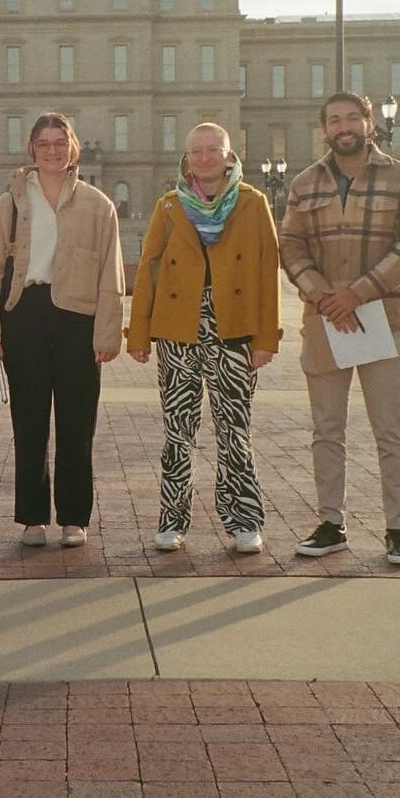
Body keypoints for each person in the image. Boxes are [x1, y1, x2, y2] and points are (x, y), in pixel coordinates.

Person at [278, 92, 400, 566]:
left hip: (380, 319)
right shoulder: (305, 184)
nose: (343, 127)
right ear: (324, 129)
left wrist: (357, 293)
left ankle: (397, 530)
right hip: (324, 319)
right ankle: (331, 524)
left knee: (389, 428)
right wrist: (326, 295)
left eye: (352, 118)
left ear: (369, 123)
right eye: (333, 120)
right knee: (327, 429)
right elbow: (290, 245)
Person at [0, 113, 124, 549]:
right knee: (30, 422)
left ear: (72, 147)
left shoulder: (98, 205)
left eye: (60, 142)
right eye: (43, 143)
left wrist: (107, 335)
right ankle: (33, 517)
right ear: (32, 149)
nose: (52, 150)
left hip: (79, 319)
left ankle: (74, 517)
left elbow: (111, 276)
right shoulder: (11, 203)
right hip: (27, 316)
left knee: (78, 424)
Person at [127, 123, 279, 554]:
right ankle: (172, 520)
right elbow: (148, 268)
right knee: (178, 430)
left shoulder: (253, 204)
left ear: (229, 155)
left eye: (214, 150)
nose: (206, 158)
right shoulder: (170, 206)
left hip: (234, 329)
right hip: (178, 329)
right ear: (187, 157)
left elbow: (268, 272)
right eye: (198, 151)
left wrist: (266, 338)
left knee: (235, 430)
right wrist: (139, 333)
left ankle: (244, 519)